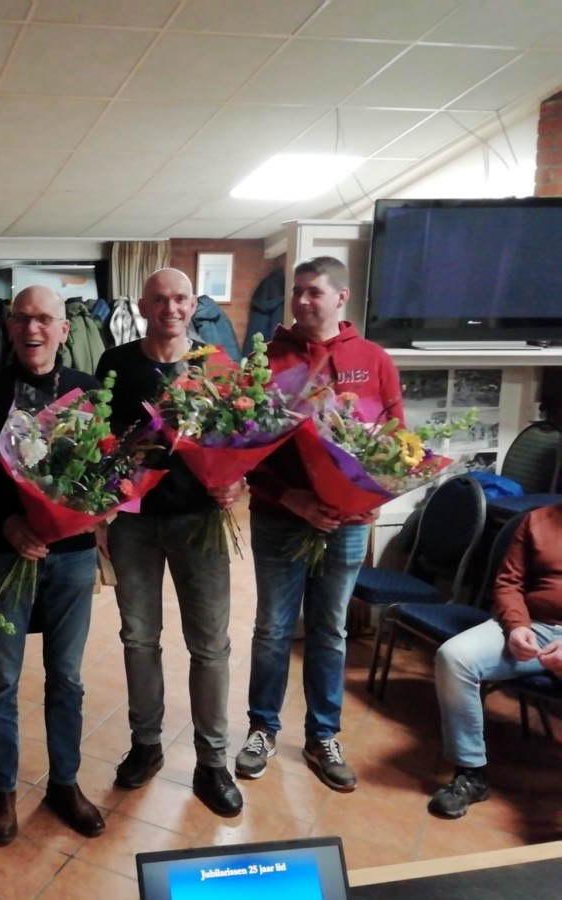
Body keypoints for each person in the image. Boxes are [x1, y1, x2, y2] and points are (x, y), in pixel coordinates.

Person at [235, 256, 405, 793]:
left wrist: (372, 496)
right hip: (280, 518)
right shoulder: (266, 360)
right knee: (272, 630)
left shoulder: (373, 359)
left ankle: (323, 735)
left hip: (347, 523)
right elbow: (244, 448)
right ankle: (262, 728)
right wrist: (292, 496)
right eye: (297, 292)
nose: (303, 301)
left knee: (330, 631)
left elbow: (395, 441)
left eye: (314, 291)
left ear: (341, 297)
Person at [0, 285, 105, 845]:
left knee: (66, 679)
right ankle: (3, 791)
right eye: (22, 318)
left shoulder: (91, 393)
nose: (32, 328)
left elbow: (107, 474)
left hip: (72, 559)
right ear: (10, 328)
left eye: (44, 319)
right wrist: (8, 522)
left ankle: (65, 783)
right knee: (1, 680)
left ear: (64, 330)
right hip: (3, 552)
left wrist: (97, 510)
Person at [95, 268, 243, 816]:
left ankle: (213, 761)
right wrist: (101, 512)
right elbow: (102, 443)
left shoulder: (216, 365)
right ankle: (146, 745)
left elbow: (240, 440)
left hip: (199, 522)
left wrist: (236, 481)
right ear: (143, 306)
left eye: (180, 299)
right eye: (159, 300)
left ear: (193, 305)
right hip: (133, 524)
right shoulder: (116, 364)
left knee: (210, 646)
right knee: (139, 638)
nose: (171, 309)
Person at [430, 502, 562, 818]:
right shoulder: (537, 520)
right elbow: (509, 582)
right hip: (535, 625)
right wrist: (517, 626)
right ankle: (471, 773)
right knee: (455, 657)